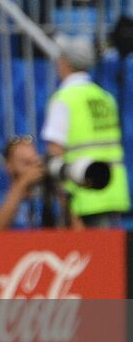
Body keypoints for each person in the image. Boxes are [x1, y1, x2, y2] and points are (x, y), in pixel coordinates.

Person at [42, 35, 130, 227]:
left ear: (65, 62)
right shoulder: (105, 97)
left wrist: (63, 200)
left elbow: (54, 152)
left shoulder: (65, 99)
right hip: (112, 189)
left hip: (83, 192)